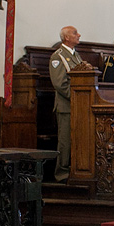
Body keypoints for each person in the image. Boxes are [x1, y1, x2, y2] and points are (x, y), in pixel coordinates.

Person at [49, 26, 83, 182]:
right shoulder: (58, 57)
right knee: (65, 142)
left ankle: (77, 170)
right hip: (66, 107)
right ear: (66, 38)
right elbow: (60, 83)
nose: (79, 35)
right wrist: (77, 98)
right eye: (75, 33)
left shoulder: (76, 56)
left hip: (79, 106)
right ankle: (62, 174)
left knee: (79, 140)